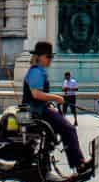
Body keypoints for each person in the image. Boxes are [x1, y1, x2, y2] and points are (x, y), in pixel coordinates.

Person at [22, 42, 88, 175]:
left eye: (51, 57)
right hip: (37, 111)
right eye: (48, 57)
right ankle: (79, 164)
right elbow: (36, 94)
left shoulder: (38, 71)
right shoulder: (36, 72)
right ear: (39, 57)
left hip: (39, 109)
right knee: (68, 129)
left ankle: (51, 162)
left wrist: (51, 102)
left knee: (64, 129)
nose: (50, 59)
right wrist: (56, 98)